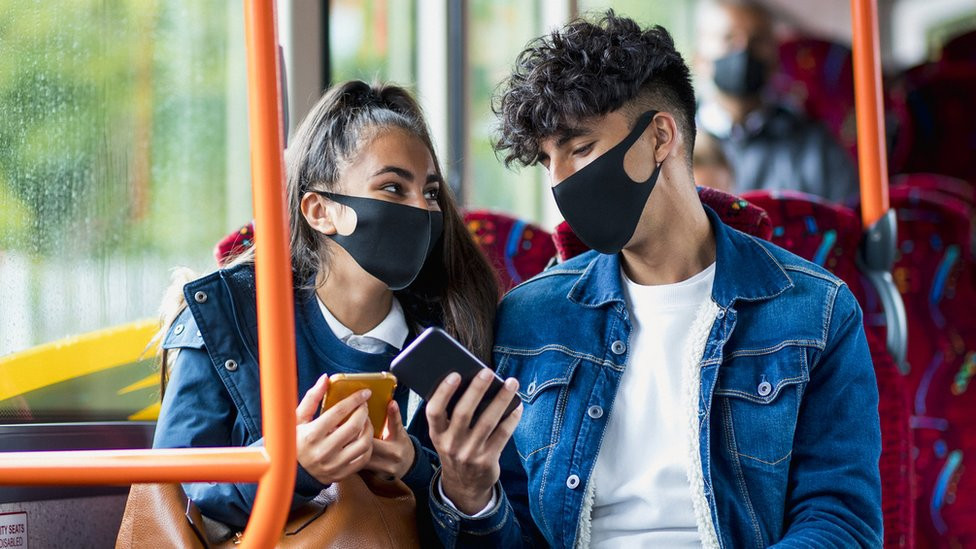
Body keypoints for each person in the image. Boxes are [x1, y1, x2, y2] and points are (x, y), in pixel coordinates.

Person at [422, 11, 883, 548]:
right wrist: (472, 496)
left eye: (581, 149)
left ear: (660, 136)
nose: (561, 183)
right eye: (548, 161)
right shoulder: (530, 318)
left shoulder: (815, 311)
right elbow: (517, 531)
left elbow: (839, 521)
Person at [151, 80, 498, 543]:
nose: (421, 208)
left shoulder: (458, 328)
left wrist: (416, 468)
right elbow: (175, 486)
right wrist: (292, 467)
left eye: (431, 192)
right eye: (394, 188)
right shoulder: (227, 316)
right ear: (319, 211)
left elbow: (498, 515)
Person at [695, 0, 859, 203]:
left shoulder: (814, 145)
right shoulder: (675, 145)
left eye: (757, 41)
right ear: (700, 59)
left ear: (775, 58)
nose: (744, 49)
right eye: (728, 38)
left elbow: (848, 222)